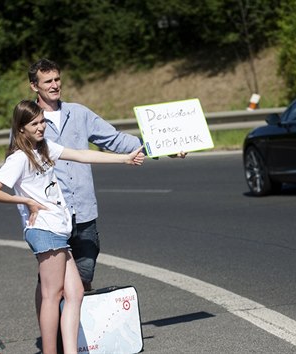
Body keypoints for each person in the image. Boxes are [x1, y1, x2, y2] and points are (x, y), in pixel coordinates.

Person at [0, 100, 145, 354]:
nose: (41, 127)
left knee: (75, 292)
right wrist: (26, 200)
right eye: (34, 124)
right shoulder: (19, 157)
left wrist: (124, 159)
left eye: (42, 121)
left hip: (58, 229)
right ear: (21, 129)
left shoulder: (43, 148)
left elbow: (81, 155)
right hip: (44, 231)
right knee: (52, 295)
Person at [27, 58, 185, 294]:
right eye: (47, 81)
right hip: (50, 215)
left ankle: (77, 330)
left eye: (57, 79)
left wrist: (161, 148)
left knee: (84, 276)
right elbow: (20, 165)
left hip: (83, 211)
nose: (54, 85)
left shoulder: (78, 113)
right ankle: (53, 331)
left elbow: (115, 139)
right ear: (34, 86)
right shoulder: (29, 120)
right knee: (51, 283)